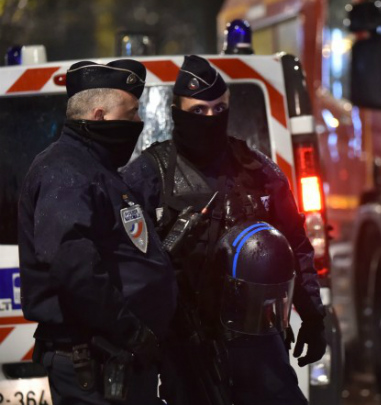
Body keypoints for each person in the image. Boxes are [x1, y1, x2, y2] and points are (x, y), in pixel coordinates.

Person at [121, 54, 326, 405]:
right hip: (185, 344)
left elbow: (295, 244)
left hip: (258, 341)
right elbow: (126, 261)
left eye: (219, 110)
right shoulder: (148, 175)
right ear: (177, 111)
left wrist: (312, 314)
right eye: (198, 111)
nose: (210, 119)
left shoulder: (257, 171)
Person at [18, 60, 177, 405]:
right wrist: (130, 331)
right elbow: (74, 266)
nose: (139, 122)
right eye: (132, 113)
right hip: (93, 360)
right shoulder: (65, 170)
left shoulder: (96, 168)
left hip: (116, 357)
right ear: (100, 115)